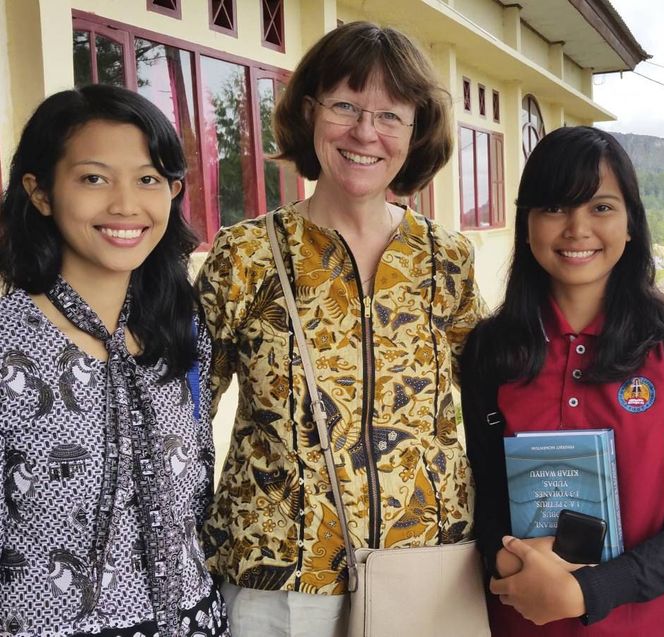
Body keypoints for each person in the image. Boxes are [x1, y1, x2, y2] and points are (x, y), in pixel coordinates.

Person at [195, 21, 486, 635]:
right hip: (280, 578)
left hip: (423, 567)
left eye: (390, 115)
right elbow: (188, 413)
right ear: (309, 112)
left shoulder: (444, 257)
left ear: (416, 131)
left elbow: (487, 397)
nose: (364, 132)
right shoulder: (245, 253)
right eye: (345, 106)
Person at [460, 126, 664, 636]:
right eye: (554, 208)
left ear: (632, 223)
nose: (576, 229)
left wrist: (591, 591)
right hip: (521, 618)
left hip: (650, 623)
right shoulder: (491, 348)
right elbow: (482, 490)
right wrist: (502, 560)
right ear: (527, 224)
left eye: (601, 208)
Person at [0, 85, 227, 635]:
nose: (126, 204)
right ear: (40, 192)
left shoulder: (180, 331)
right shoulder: (8, 343)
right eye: (94, 178)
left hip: (192, 620)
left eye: (148, 179)